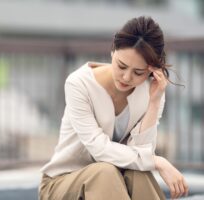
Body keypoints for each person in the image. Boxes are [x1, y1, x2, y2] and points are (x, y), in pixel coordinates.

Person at [38, 16, 189, 200]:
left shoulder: (152, 91)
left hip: (115, 183)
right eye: (121, 66)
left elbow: (141, 155)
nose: (126, 77)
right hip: (63, 184)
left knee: (138, 173)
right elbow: (99, 149)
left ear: (151, 70)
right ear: (112, 51)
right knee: (105, 172)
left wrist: (154, 102)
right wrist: (157, 162)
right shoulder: (79, 84)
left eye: (138, 72)